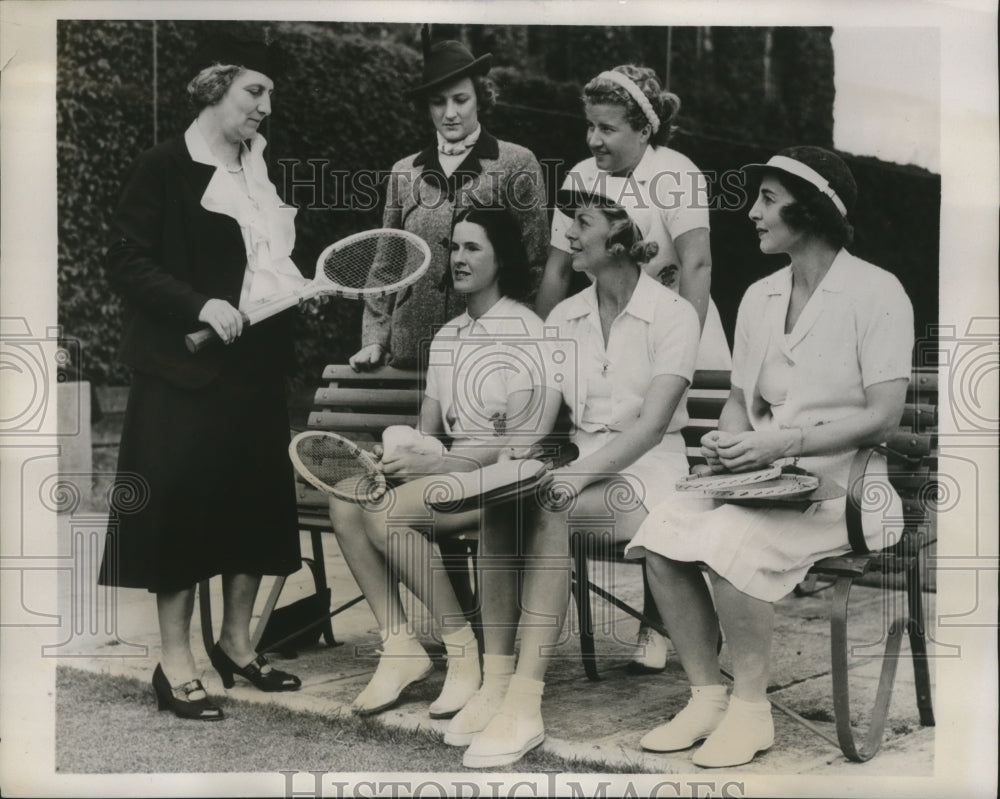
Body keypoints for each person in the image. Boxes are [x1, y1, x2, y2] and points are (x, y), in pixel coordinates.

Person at [629, 147, 914, 767]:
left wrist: (781, 443)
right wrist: (730, 441)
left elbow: (883, 416)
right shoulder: (759, 296)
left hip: (849, 489)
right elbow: (739, 398)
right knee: (662, 534)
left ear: (809, 211)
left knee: (730, 540)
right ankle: (707, 695)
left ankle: (752, 712)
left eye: (767, 199)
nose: (752, 212)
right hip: (765, 479)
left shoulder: (877, 291)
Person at [449, 181, 702, 769]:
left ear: (621, 235)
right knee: (503, 501)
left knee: (546, 507)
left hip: (652, 475)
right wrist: (508, 463)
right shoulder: (567, 314)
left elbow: (651, 427)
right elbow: (541, 410)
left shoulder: (674, 315)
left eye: (581, 221)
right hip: (586, 472)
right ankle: (495, 680)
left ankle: (525, 705)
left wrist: (572, 476)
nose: (568, 233)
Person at [97, 34, 306, 721]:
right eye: (255, 91)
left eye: (270, 94)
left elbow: (262, 265)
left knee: (252, 504)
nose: (266, 107)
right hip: (181, 371)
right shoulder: (163, 166)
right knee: (179, 514)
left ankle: (238, 644)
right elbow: (125, 261)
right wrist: (197, 305)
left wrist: (295, 290)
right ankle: (175, 662)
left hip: (253, 367)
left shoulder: (260, 170)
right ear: (215, 87)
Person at [329, 207, 562, 719]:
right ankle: (400, 649)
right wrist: (394, 458)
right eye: (454, 247)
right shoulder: (449, 335)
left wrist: (437, 462)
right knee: (348, 502)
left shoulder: (527, 329)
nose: (458, 258)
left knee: (387, 515)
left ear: (502, 259)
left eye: (473, 248)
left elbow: (521, 438)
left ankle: (464, 657)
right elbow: (426, 433)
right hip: (453, 477)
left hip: (507, 484)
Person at [537, 63, 732, 673]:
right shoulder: (578, 178)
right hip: (603, 338)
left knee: (665, 465)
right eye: (589, 127)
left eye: (608, 129)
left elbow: (696, 268)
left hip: (680, 339)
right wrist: (538, 347)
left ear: (644, 131)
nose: (594, 142)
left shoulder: (676, 174)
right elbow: (555, 273)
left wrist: (679, 349)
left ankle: (662, 620)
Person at [349, 30, 549, 371]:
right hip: (410, 347)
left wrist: (520, 335)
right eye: (438, 102)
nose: (450, 113)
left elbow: (536, 260)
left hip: (487, 349)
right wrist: (374, 338)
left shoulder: (516, 163)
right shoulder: (404, 172)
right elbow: (386, 266)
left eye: (461, 99)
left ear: (480, 99)